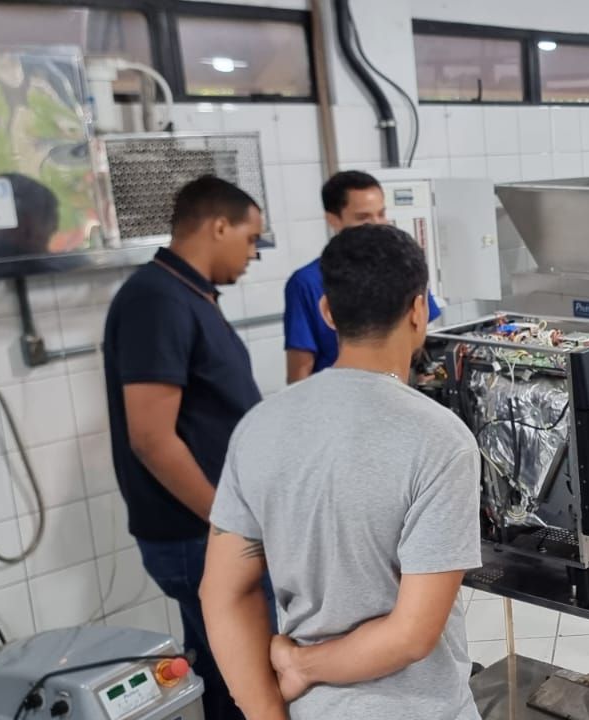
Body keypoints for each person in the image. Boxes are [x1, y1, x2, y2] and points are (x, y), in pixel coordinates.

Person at [200, 224, 481, 720]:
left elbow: (222, 593)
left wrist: (270, 710)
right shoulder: (440, 439)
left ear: (327, 312)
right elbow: (412, 635)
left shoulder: (258, 427)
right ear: (419, 310)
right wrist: (305, 666)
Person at [102, 175, 266, 720]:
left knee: (228, 678)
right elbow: (150, 437)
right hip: (199, 536)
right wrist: (228, 522)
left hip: (212, 532)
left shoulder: (188, 296)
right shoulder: (155, 298)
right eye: (249, 239)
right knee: (249, 682)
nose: (253, 255)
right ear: (219, 225)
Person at [284, 170, 443, 383]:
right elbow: (300, 371)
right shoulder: (307, 283)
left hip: (398, 396)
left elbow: (422, 343)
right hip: (338, 403)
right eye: (363, 217)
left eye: (381, 213)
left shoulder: (404, 266)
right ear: (334, 219)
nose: (377, 224)